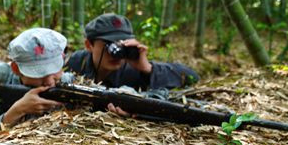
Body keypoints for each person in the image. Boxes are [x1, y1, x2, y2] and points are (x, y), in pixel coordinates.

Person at [0, 28, 73, 134]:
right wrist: (17, 111)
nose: (49, 81)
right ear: (16, 69)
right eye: (39, 74)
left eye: (54, 70)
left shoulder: (70, 84)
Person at [66, 13, 198, 91]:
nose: (116, 53)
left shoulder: (132, 70)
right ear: (89, 45)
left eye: (122, 44)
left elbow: (192, 77)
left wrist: (148, 69)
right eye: (110, 45)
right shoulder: (77, 62)